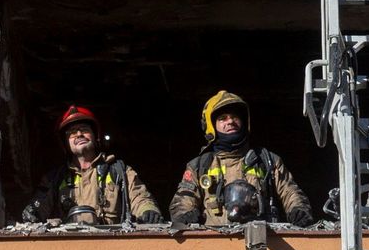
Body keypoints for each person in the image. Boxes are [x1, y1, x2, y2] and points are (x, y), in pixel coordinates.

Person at [169, 90, 315, 228]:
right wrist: (184, 215)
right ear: (211, 126)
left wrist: (298, 210)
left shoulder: (267, 160)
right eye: (222, 118)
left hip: (261, 241)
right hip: (215, 244)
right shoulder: (199, 166)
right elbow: (183, 199)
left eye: (235, 117)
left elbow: (290, 192)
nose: (230, 121)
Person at [21, 105, 164, 226]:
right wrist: (32, 212)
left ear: (96, 137)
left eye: (84, 130)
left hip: (112, 247)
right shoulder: (55, 178)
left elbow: (140, 196)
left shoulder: (119, 171)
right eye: (72, 133)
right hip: (68, 249)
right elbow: (39, 205)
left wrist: (148, 211)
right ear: (65, 144)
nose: (79, 134)